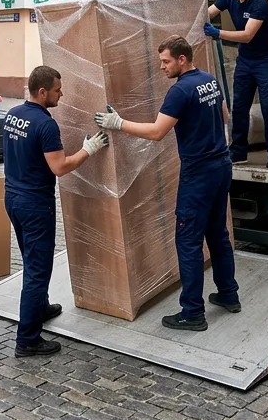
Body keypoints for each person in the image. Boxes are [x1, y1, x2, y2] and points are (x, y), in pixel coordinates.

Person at [94, 35, 240, 331]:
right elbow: (224, 115)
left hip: (198, 174)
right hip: (221, 166)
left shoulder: (180, 90)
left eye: (165, 61)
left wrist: (117, 123)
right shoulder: (209, 80)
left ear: (182, 59)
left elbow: (157, 132)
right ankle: (228, 295)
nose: (161, 67)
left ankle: (192, 313)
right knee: (217, 234)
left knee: (188, 242)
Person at [2, 66, 110, 357]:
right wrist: (89, 148)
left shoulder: (13, 115)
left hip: (12, 197)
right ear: (42, 92)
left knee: (30, 260)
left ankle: (40, 307)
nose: (61, 94)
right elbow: (60, 167)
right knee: (37, 270)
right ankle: (27, 340)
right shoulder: (45, 124)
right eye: (57, 90)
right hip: (35, 203)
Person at [203, 0, 268, 168]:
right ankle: (238, 152)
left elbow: (247, 35)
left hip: (266, 59)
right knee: (238, 107)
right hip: (246, 59)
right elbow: (206, 14)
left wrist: (218, 33)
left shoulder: (260, 3)